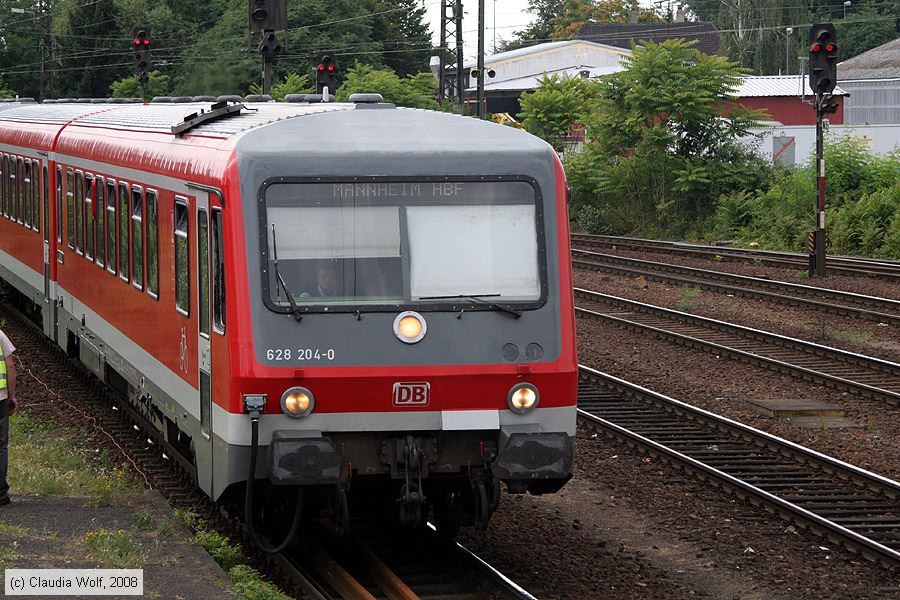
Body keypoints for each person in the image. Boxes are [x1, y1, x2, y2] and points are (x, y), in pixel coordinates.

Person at [0, 328, 16, 506]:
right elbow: (10, 365)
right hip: (0, 399)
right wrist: (12, 396)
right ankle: (1, 495)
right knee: (0, 446)